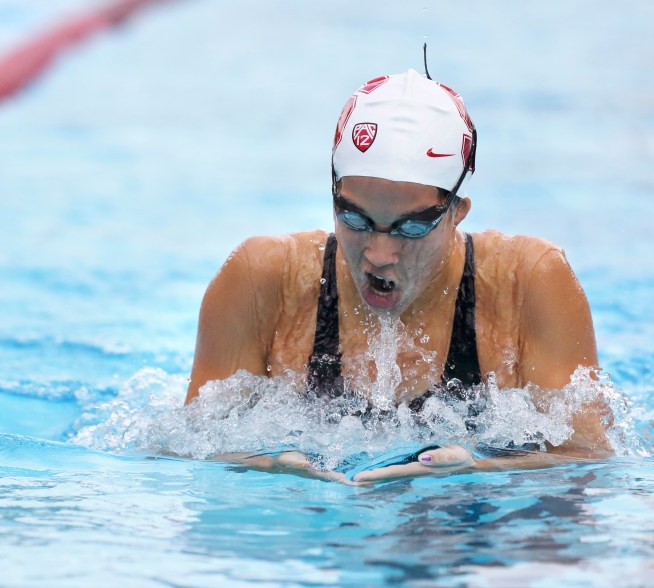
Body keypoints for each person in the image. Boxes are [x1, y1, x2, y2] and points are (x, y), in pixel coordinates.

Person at [185, 68, 612, 484]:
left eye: (411, 227)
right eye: (355, 218)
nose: (379, 253)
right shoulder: (263, 279)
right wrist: (256, 465)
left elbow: (587, 457)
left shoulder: (528, 282)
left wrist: (478, 470)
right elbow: (187, 446)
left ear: (457, 213)